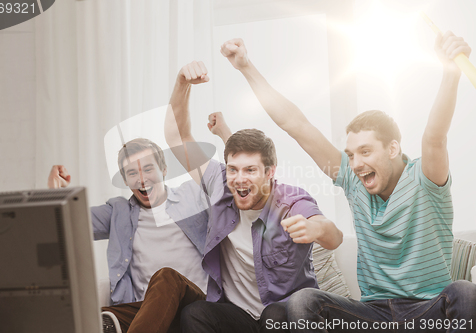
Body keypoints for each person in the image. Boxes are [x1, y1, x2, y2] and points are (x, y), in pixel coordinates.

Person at [219, 32, 476, 332]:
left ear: (393, 149)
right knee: (304, 301)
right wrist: (245, 66)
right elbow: (296, 124)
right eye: (351, 155)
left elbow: (434, 136)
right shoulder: (353, 181)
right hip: (375, 316)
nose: (355, 164)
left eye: (365, 152)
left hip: (429, 311)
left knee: (465, 291)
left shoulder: (425, 179)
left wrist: (450, 71)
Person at [164, 61, 343, 333]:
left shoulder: (291, 201)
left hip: (285, 316)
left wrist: (314, 227)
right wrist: (181, 83)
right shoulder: (218, 183)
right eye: (233, 169)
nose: (239, 178)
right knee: (195, 313)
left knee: (274, 313)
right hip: (238, 317)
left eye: (250, 170)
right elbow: (177, 137)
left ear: (270, 172)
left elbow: (334, 237)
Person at [47, 136, 223, 333]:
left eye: (148, 169)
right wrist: (55, 192)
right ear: (125, 180)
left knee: (167, 277)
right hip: (147, 314)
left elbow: (226, 184)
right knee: (88, 319)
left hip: (195, 304)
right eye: (132, 173)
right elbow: (68, 223)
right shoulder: (118, 212)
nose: (141, 179)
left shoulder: (192, 196)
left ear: (164, 170)